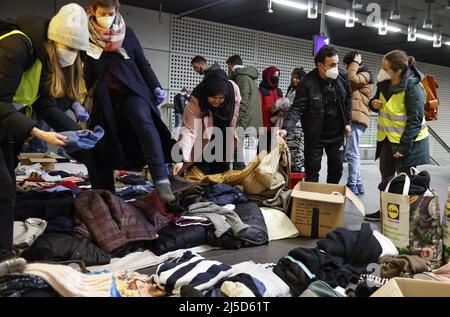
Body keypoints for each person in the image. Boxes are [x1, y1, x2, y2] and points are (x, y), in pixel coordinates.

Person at [0, 3, 90, 260]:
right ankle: (4, 259)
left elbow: (43, 103)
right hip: (5, 119)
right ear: (56, 39)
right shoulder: (16, 46)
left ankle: (5, 257)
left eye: (77, 50)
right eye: (70, 47)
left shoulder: (43, 58)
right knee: (4, 190)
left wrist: (76, 132)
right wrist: (39, 133)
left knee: (9, 191)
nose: (72, 55)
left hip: (7, 128)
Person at [83, 0, 175, 203]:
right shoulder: (85, 35)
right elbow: (82, 72)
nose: (107, 16)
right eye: (102, 13)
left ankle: (161, 180)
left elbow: (143, 63)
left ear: (116, 10)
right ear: (92, 11)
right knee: (99, 143)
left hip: (133, 92)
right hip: (104, 97)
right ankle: (105, 195)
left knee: (143, 120)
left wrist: (155, 86)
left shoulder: (127, 33)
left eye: (111, 12)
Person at [365, 50, 430, 221]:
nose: (381, 70)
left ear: (398, 71)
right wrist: (373, 103)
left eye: (385, 68)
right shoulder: (385, 82)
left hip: (408, 143)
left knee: (406, 181)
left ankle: (405, 217)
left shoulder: (413, 87)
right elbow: (376, 102)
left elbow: (415, 121)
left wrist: (403, 148)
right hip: (387, 139)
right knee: (386, 177)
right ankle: (385, 212)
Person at [279, 45, 352, 184]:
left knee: (336, 170)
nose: (336, 68)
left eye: (337, 64)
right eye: (332, 65)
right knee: (312, 171)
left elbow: (348, 100)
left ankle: (330, 200)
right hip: (315, 134)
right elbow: (297, 108)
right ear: (320, 65)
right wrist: (285, 128)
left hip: (336, 134)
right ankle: (312, 201)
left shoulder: (342, 77)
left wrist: (348, 123)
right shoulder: (307, 82)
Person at [172, 69, 241, 176]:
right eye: (213, 97)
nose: (217, 101)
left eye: (221, 98)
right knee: (199, 171)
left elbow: (235, 111)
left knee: (221, 172)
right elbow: (189, 130)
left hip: (223, 136)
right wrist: (180, 158)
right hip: (202, 138)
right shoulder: (197, 99)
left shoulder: (233, 89)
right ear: (207, 94)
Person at [343, 51, 373, 195]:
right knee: (353, 151)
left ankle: (352, 183)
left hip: (358, 118)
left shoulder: (365, 73)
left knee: (351, 152)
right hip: (355, 118)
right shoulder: (358, 73)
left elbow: (351, 78)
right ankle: (358, 184)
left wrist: (355, 62)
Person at [226, 54, 263, 170]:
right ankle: (241, 171)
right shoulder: (248, 77)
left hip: (244, 119)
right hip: (249, 118)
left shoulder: (241, 78)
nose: (228, 70)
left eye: (228, 68)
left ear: (232, 66)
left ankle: (239, 173)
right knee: (238, 147)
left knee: (236, 147)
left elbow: (243, 102)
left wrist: (237, 121)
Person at [284, 68, 307, 173]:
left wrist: (284, 105)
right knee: (289, 151)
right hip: (289, 125)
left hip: (298, 125)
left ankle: (296, 174)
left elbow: (295, 106)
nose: (294, 80)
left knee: (296, 152)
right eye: (293, 77)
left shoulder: (302, 91)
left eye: (298, 78)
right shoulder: (292, 89)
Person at [259, 66, 283, 151]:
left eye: (277, 75)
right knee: (262, 153)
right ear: (268, 76)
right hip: (264, 127)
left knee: (273, 153)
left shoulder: (279, 91)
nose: (276, 77)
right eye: (274, 75)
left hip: (276, 127)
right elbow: (258, 110)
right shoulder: (261, 90)